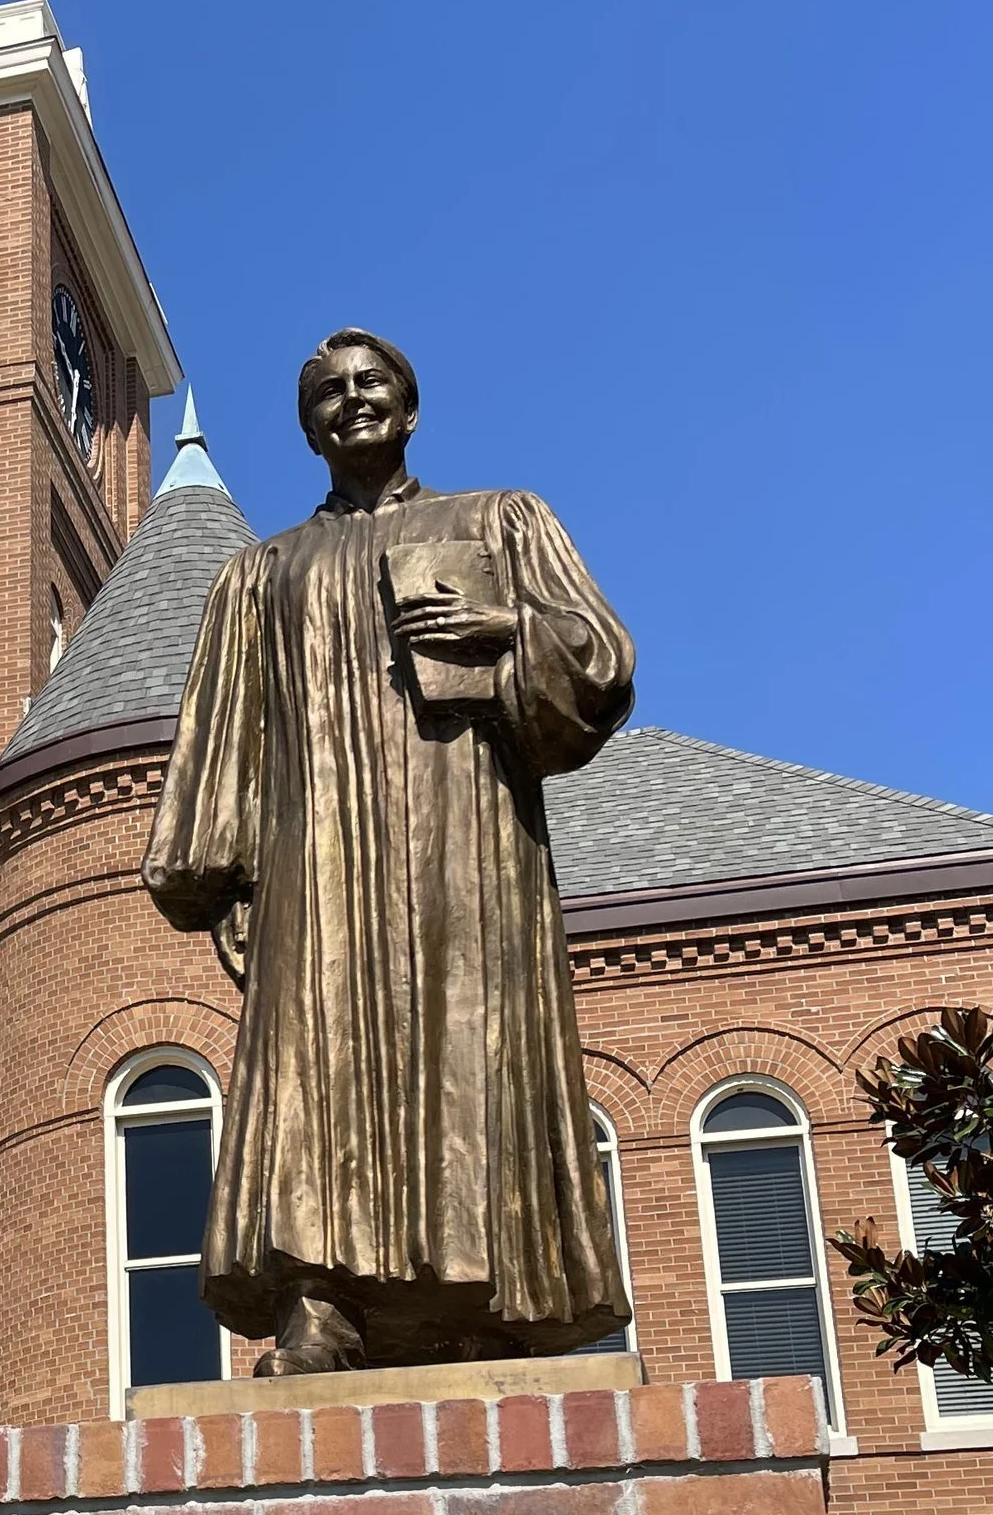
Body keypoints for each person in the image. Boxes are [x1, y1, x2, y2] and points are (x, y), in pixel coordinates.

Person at [143, 327, 635, 1376]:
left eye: (372, 384)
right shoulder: (260, 576)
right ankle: (321, 1304)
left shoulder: (498, 522)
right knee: (317, 1058)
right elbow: (224, 733)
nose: (351, 400)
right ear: (307, 425)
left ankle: (484, 1300)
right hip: (313, 858)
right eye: (327, 390)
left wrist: (502, 626)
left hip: (465, 843)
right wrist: (221, 877)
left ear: (410, 409)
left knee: (471, 1049)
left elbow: (595, 670)